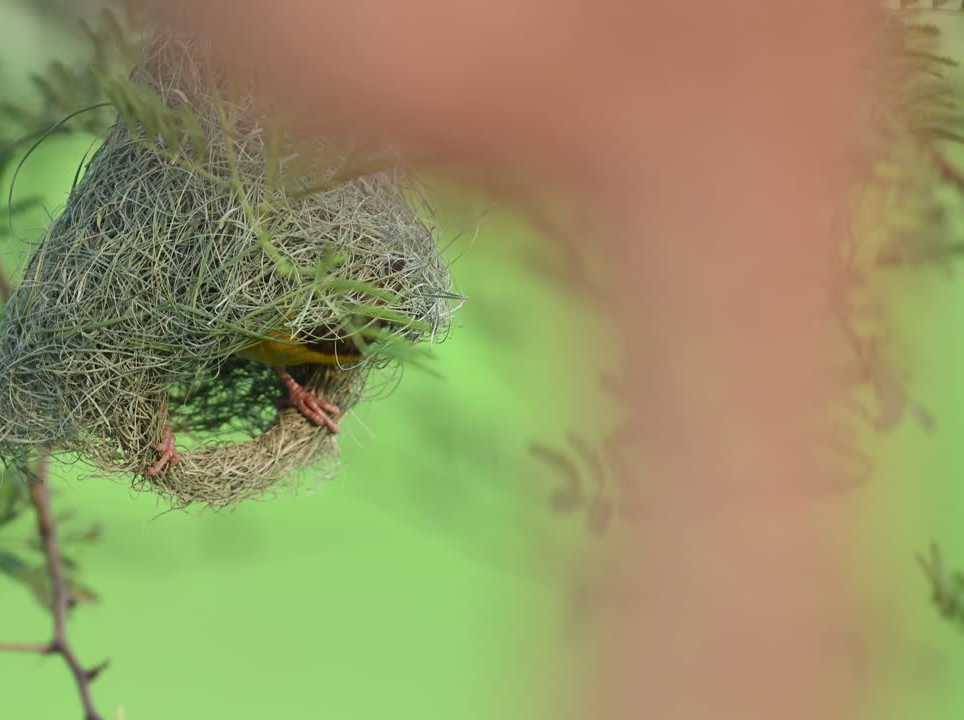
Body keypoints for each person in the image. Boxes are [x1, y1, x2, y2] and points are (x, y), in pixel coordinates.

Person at [158, 2, 885, 719]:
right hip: (249, 315)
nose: (390, 313)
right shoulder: (312, 306)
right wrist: (290, 380)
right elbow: (256, 328)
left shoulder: (366, 309)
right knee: (276, 334)